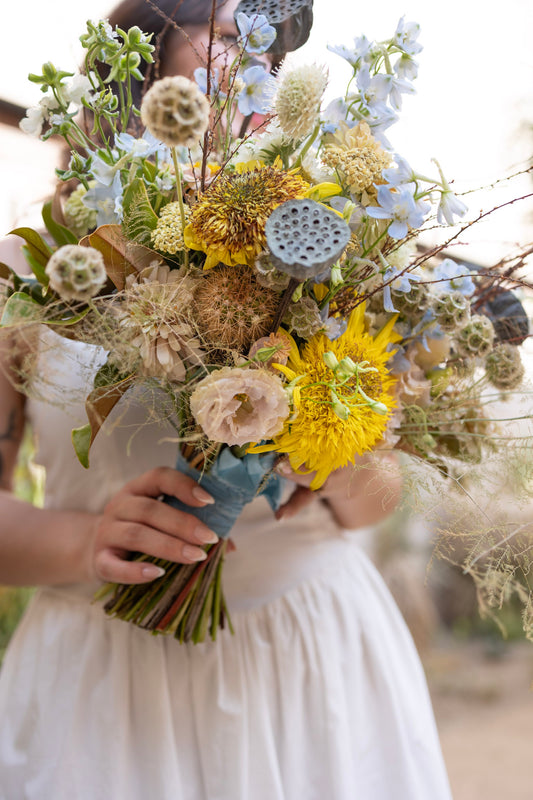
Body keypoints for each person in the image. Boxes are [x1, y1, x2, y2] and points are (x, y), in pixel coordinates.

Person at [0, 2, 453, 798]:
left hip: (312, 664)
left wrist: (333, 452)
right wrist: (88, 542)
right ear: (141, 54)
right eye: (225, 33)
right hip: (101, 692)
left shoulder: (339, 252)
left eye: (273, 48)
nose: (256, 64)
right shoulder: (28, 268)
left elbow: (374, 500)